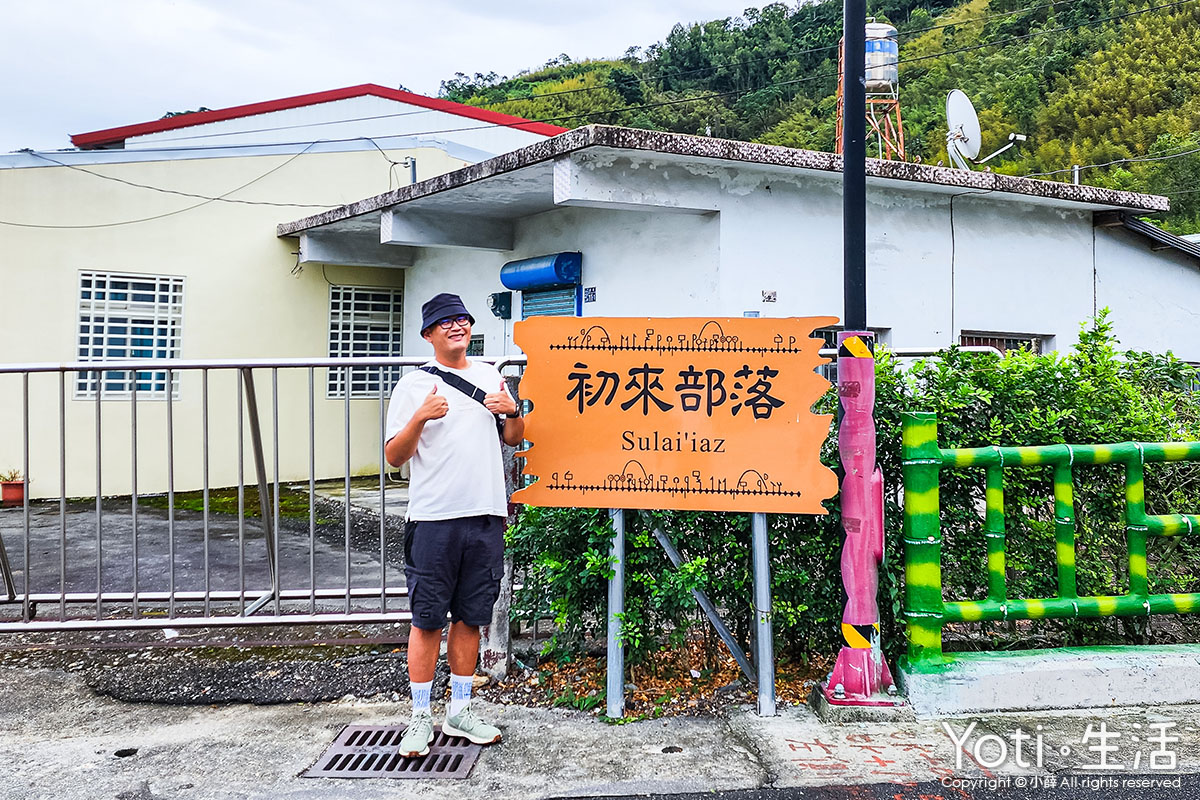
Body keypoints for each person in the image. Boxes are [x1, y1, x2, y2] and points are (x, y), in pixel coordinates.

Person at [384, 292, 524, 758]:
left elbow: (514, 439)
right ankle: (419, 717)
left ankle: (460, 710)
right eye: (446, 322)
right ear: (428, 334)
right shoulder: (412, 386)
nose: (457, 327)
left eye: (463, 319)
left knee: (471, 617)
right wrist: (421, 417)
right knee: (426, 620)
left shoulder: (490, 376)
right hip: (433, 519)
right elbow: (393, 456)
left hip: (485, 514)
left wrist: (513, 413)